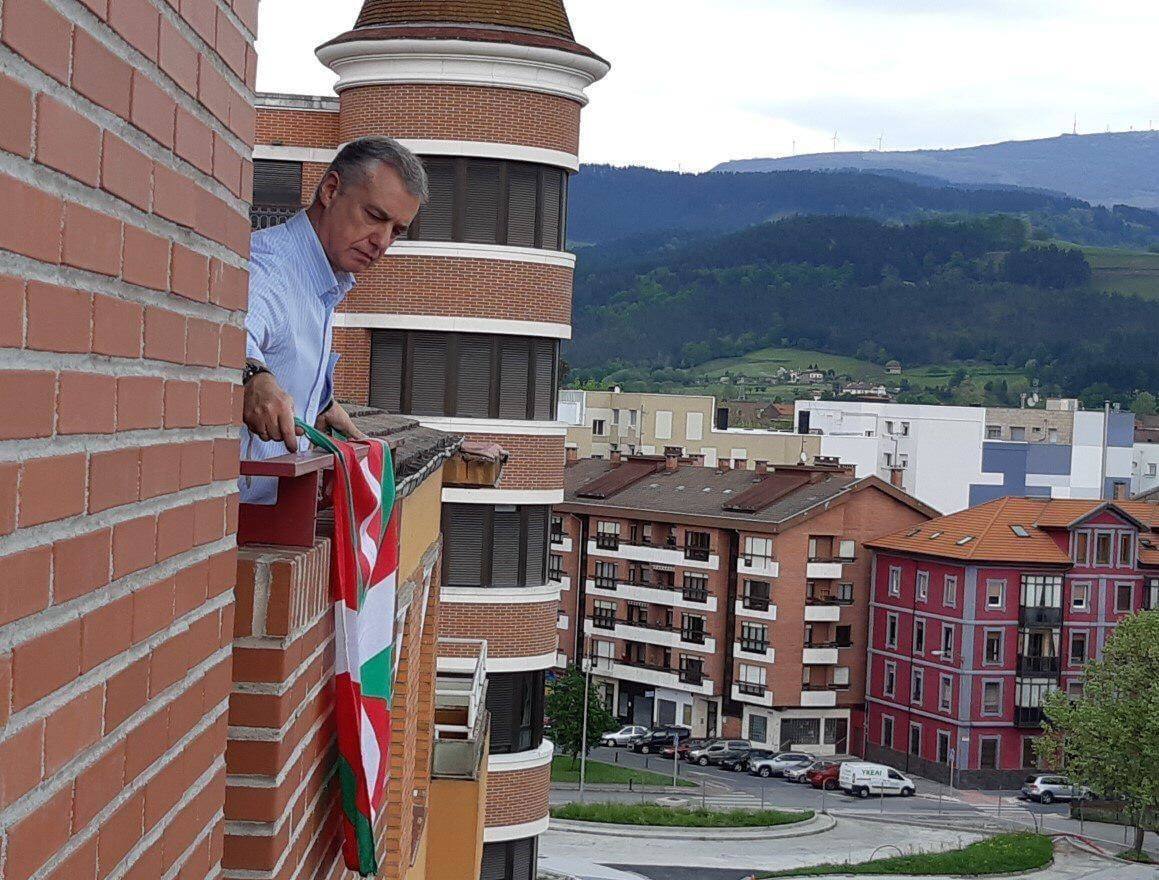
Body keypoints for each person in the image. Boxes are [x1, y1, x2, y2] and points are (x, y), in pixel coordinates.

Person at [240, 137, 427, 503]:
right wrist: (252, 378)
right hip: (237, 535)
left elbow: (283, 354)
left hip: (274, 531)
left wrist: (319, 405)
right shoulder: (268, 268)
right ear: (330, 190)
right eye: (374, 217)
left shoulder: (323, 279)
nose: (383, 241)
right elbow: (226, 334)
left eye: (397, 231)